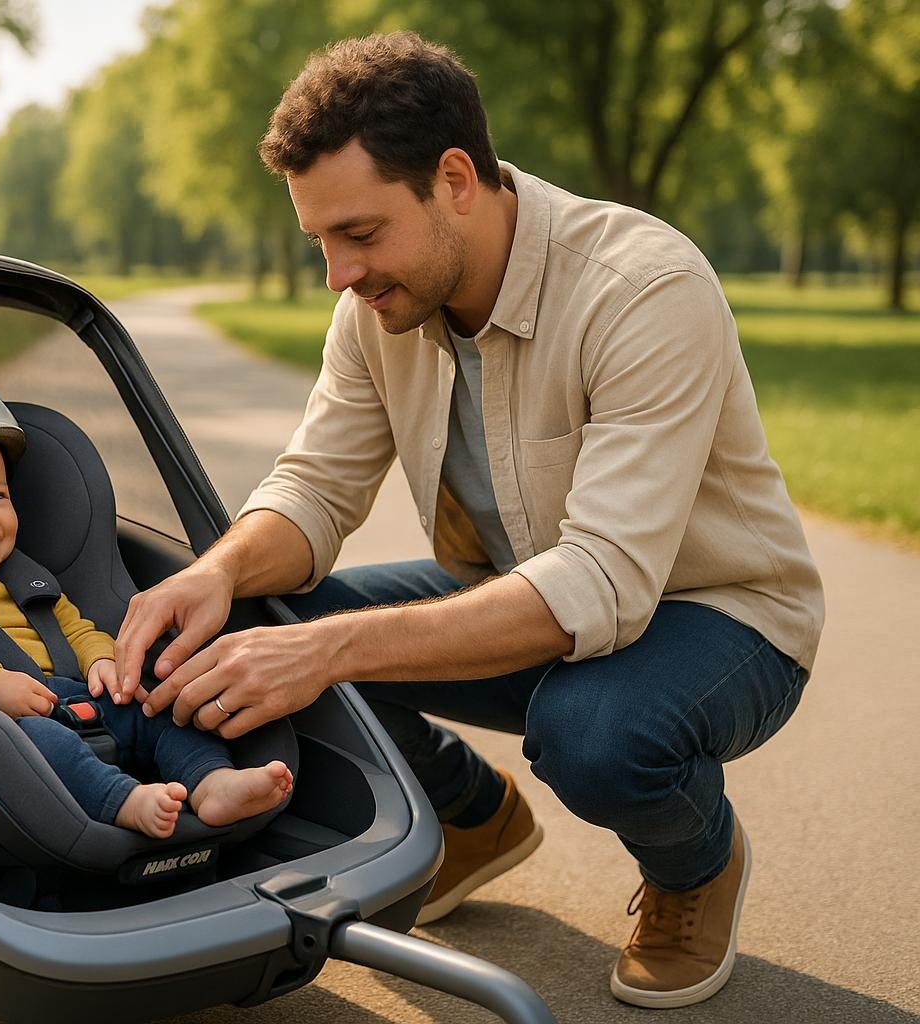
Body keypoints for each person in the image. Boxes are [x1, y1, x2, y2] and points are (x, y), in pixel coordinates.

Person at [113, 32, 823, 1008]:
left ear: (454, 180)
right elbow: (314, 489)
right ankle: (474, 815)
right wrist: (216, 574)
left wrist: (330, 651)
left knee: (592, 733)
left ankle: (695, 865)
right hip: (519, 590)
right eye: (321, 242)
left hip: (720, 616)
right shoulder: (379, 309)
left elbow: (603, 582)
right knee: (259, 623)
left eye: (360, 233)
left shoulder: (644, 289)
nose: (338, 274)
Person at [0, 367, 292, 840]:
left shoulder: (24, 578)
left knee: (161, 715)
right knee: (44, 744)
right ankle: (123, 801)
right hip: (2, 724)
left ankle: (212, 782)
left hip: (79, 697)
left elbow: (75, 628)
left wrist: (101, 660)